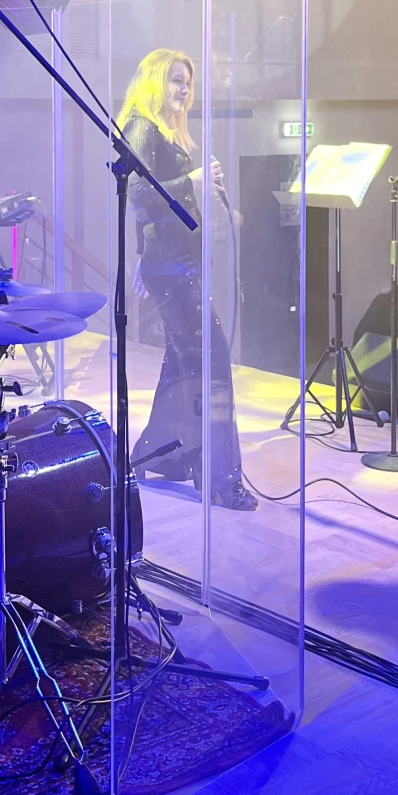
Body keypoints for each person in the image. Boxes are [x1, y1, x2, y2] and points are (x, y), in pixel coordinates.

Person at [118, 49, 257, 511]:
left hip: (178, 265)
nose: (184, 90)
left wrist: (204, 196)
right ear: (156, 80)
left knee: (183, 365)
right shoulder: (142, 127)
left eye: (188, 82)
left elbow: (156, 207)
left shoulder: (161, 130)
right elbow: (137, 194)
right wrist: (191, 182)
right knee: (211, 365)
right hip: (174, 271)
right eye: (177, 80)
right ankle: (221, 479)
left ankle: (162, 455)